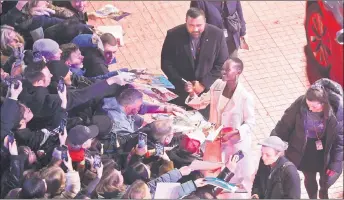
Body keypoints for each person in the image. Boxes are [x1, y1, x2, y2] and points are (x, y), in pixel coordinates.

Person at [185, 58, 255, 197]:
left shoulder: (245, 97)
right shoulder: (217, 85)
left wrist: (236, 132)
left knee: (236, 176)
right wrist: (192, 93)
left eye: (227, 70)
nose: (223, 72)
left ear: (238, 72)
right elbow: (202, 102)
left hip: (234, 143)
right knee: (214, 171)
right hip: (216, 139)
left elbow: (250, 122)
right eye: (223, 68)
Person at [271, 80, 343, 199]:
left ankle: (324, 192)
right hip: (304, 149)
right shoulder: (300, 104)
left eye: (314, 106)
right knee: (309, 178)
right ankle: (313, 197)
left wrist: (335, 164)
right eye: (308, 105)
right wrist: (273, 143)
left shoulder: (337, 113)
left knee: (326, 178)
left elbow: (340, 142)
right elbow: (284, 124)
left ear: (323, 103)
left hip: (326, 150)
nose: (310, 109)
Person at [161, 7, 228, 109]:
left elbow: (222, 62)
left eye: (199, 25)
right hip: (180, 92)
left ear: (205, 22)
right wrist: (182, 82)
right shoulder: (173, 35)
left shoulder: (217, 35)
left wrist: (203, 84)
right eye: (191, 25)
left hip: (207, 94)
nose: (195, 29)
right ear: (185, 21)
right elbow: (166, 63)